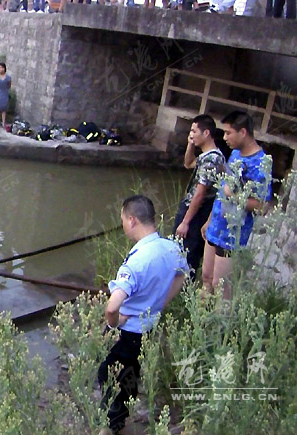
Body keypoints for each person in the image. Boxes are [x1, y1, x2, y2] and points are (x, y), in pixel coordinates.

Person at [98, 195, 188, 433]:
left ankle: (110, 425)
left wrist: (114, 322)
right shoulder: (172, 248)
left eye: (122, 220)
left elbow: (112, 306)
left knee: (109, 376)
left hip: (127, 330)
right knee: (130, 373)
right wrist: (161, 303)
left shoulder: (136, 263)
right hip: (148, 326)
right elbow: (181, 275)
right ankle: (120, 416)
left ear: (132, 220)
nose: (123, 225)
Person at [201, 111, 272, 300]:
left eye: (228, 133)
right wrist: (209, 219)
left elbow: (262, 206)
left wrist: (235, 196)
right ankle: (199, 315)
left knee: (221, 286)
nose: (224, 138)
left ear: (243, 132)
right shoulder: (234, 154)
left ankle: (220, 318)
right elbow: (222, 190)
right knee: (206, 278)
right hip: (216, 226)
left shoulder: (261, 163)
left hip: (231, 235)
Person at [173, 114, 225, 281]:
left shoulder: (212, 160)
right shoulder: (205, 156)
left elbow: (200, 194)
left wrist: (185, 222)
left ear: (206, 133)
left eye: (194, 131)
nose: (191, 134)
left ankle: (183, 289)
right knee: (177, 252)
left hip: (196, 214)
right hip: (191, 211)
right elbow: (188, 163)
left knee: (187, 255)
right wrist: (190, 144)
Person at [0, 62, 12, 128]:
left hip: (5, 92)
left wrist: (6, 89)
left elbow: (9, 85)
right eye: (0, 67)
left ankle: (3, 122)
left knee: (4, 107)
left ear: (5, 68)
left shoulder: (8, 77)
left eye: (2, 67)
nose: (1, 69)